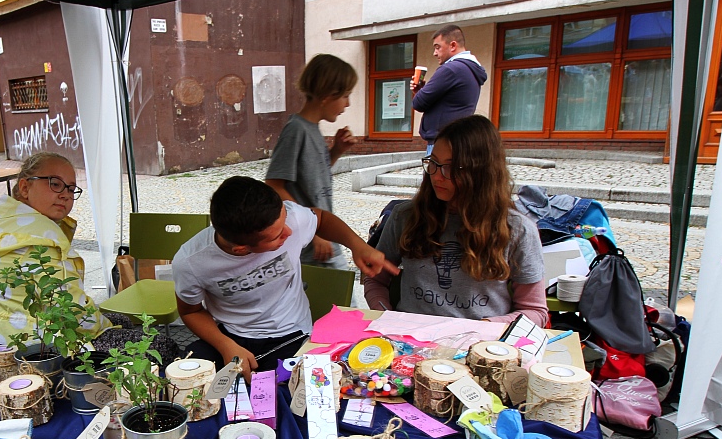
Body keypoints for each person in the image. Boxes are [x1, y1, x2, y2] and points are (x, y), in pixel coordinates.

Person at [174, 176, 398, 381]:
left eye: (285, 220)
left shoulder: (291, 220)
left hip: (292, 334)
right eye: (277, 235)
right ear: (241, 249)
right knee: (191, 384)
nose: (289, 233)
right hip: (229, 334)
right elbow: (190, 311)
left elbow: (320, 219)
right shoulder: (192, 262)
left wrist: (357, 246)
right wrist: (225, 346)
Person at [363, 115, 547, 327]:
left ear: (481, 173)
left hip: (480, 344)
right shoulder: (405, 216)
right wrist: (387, 316)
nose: (437, 176)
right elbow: (375, 279)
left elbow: (534, 311)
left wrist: (488, 326)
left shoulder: (517, 229)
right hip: (410, 338)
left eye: (452, 168)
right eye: (433, 163)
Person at [0, 152, 111, 346]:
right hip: (30, 347)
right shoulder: (42, 238)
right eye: (55, 183)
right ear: (25, 187)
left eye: (71, 188)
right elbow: (73, 311)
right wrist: (108, 326)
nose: (65, 194)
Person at [265, 54, 357, 268]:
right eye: (345, 95)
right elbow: (273, 185)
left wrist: (336, 151)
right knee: (337, 301)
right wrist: (312, 229)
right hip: (313, 245)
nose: (348, 103)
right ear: (327, 95)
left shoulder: (312, 129)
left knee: (335, 300)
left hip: (322, 237)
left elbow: (313, 176)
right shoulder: (296, 130)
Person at [411, 24, 487, 154]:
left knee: (437, 174)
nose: (435, 53)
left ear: (452, 45)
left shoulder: (450, 69)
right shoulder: (470, 68)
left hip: (441, 143)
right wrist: (421, 91)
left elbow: (419, 103)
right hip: (458, 140)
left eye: (437, 47)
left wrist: (418, 93)